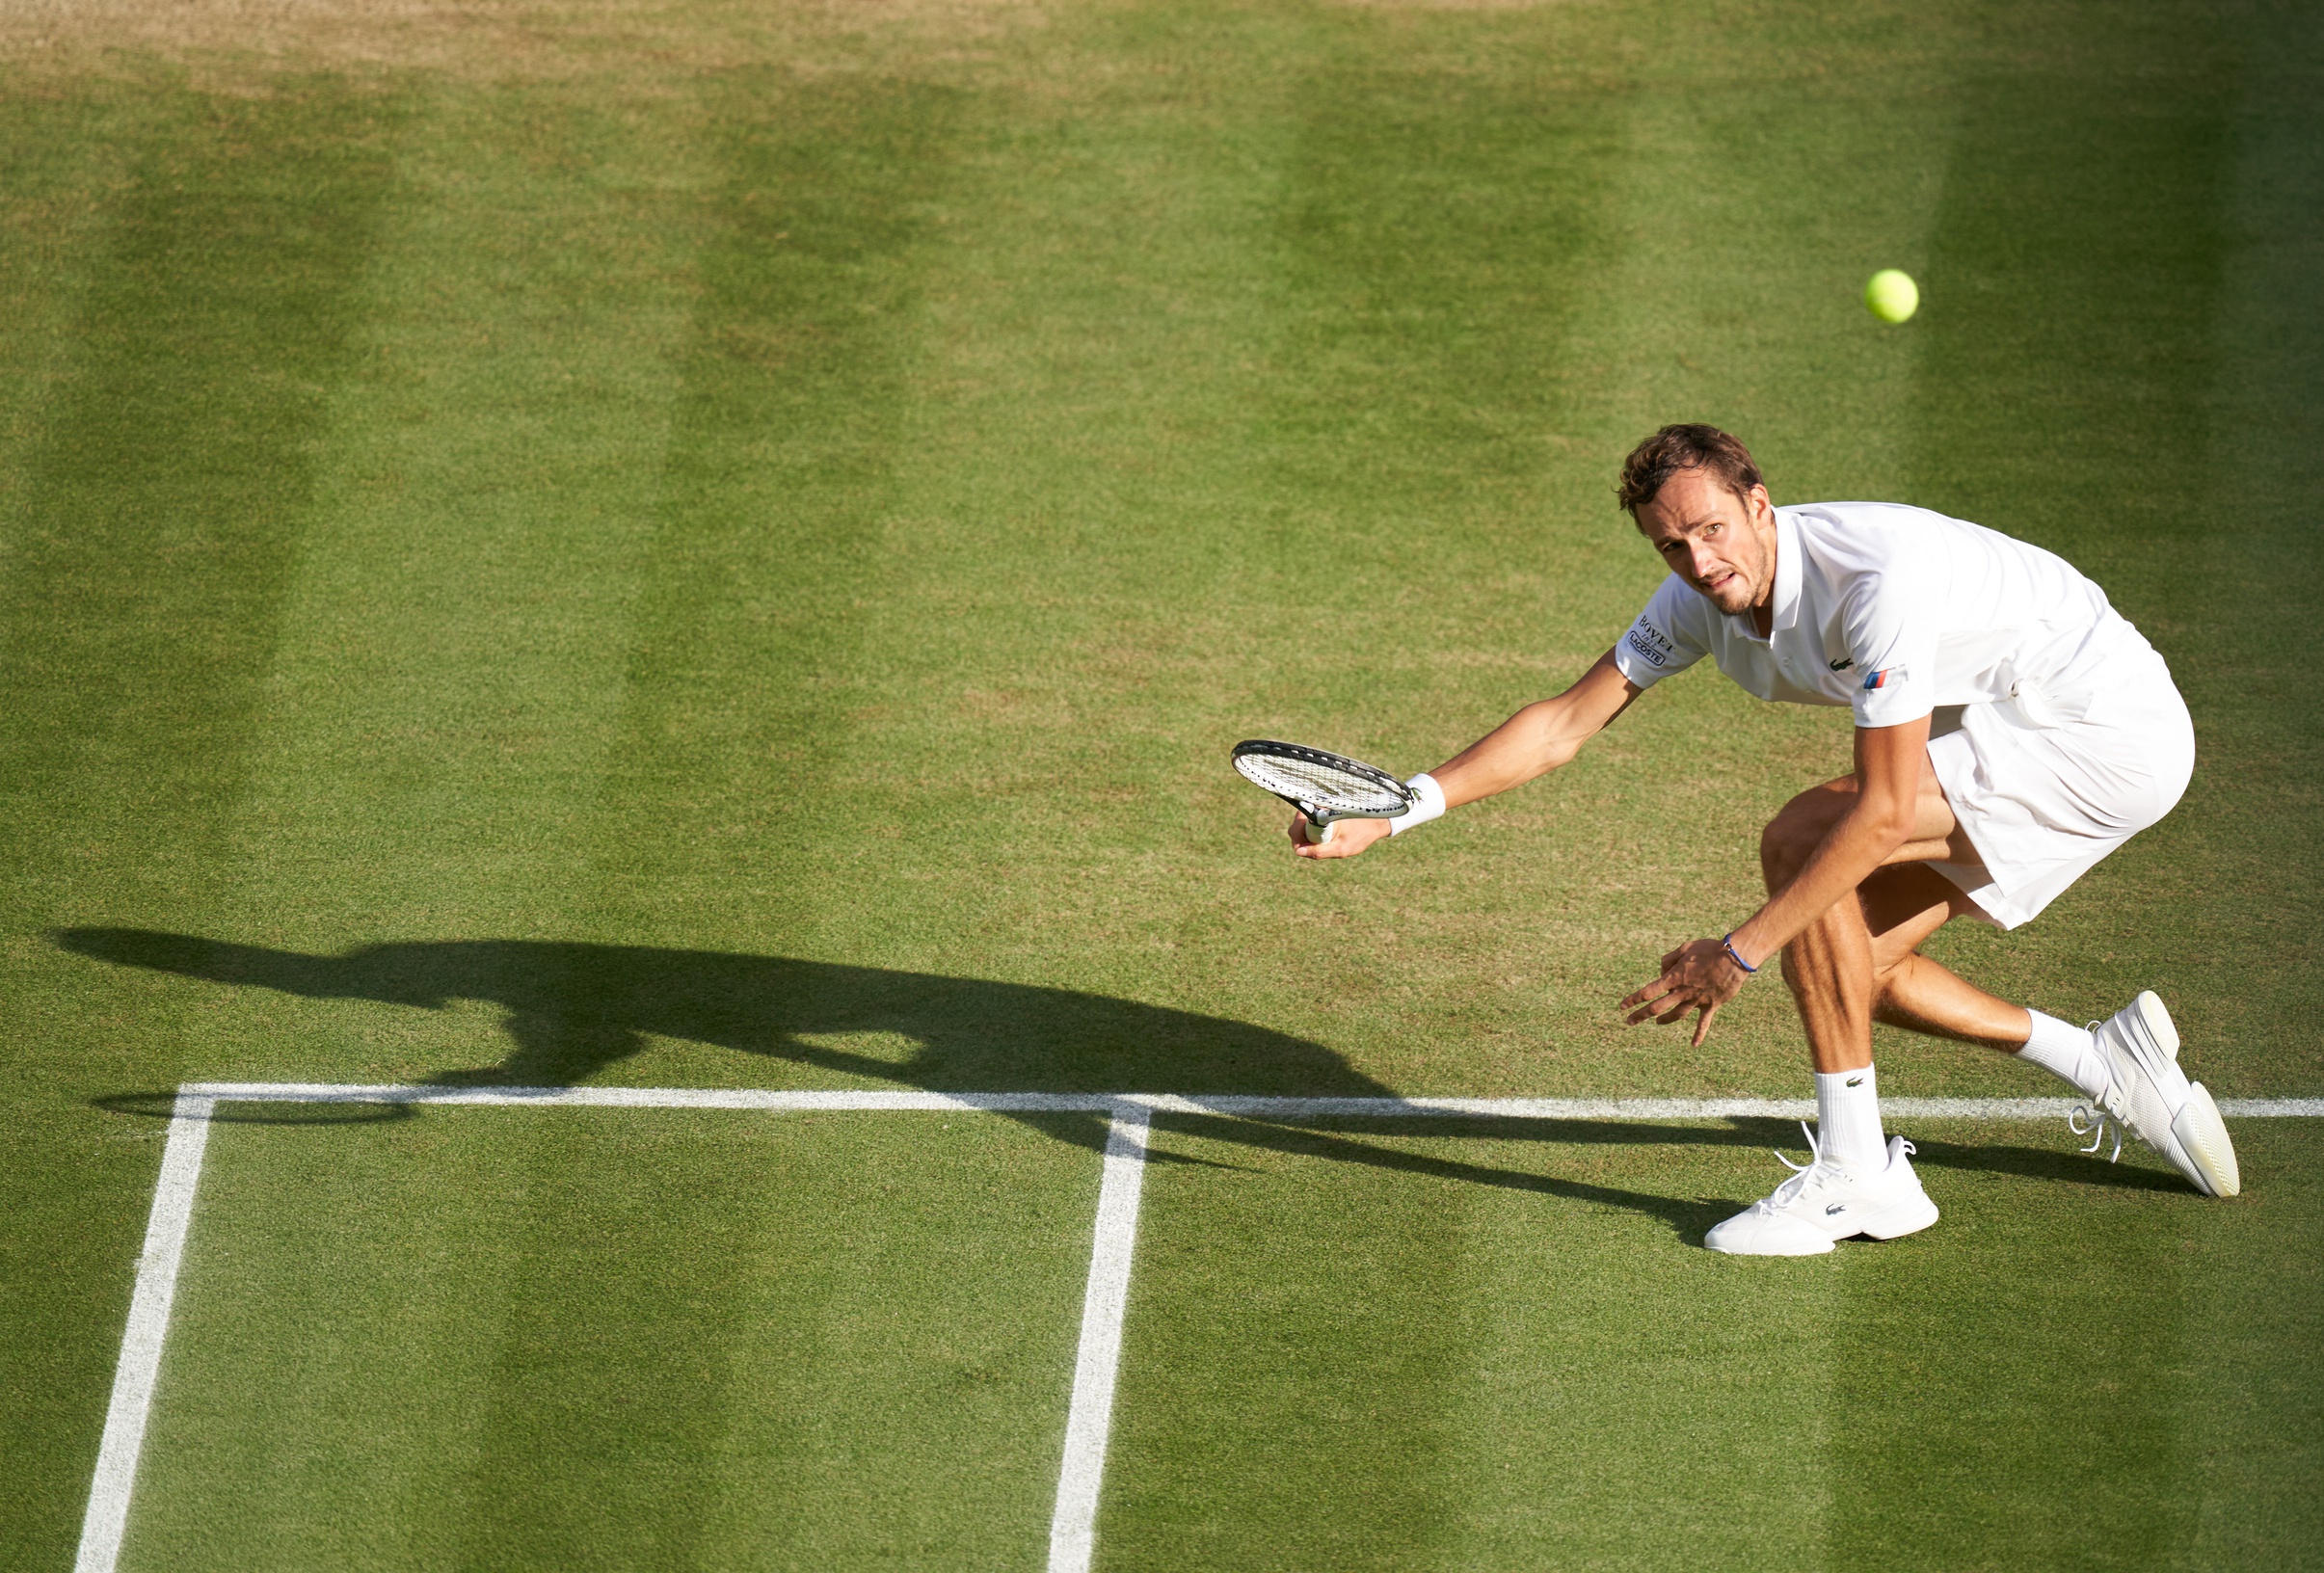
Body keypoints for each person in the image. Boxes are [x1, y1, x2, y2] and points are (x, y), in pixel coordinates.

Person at [1291, 423, 2239, 1255]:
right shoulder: (1696, 602)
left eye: (1711, 530)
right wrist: (1395, 808)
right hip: (2015, 716)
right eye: (1671, 546)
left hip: (2096, 728)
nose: (1700, 564)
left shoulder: (1873, 585)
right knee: (1845, 968)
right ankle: (2100, 1063)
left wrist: (1736, 955)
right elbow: (1563, 726)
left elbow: (1876, 813)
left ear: (1758, 505)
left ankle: (1855, 1171)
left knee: (1802, 841)